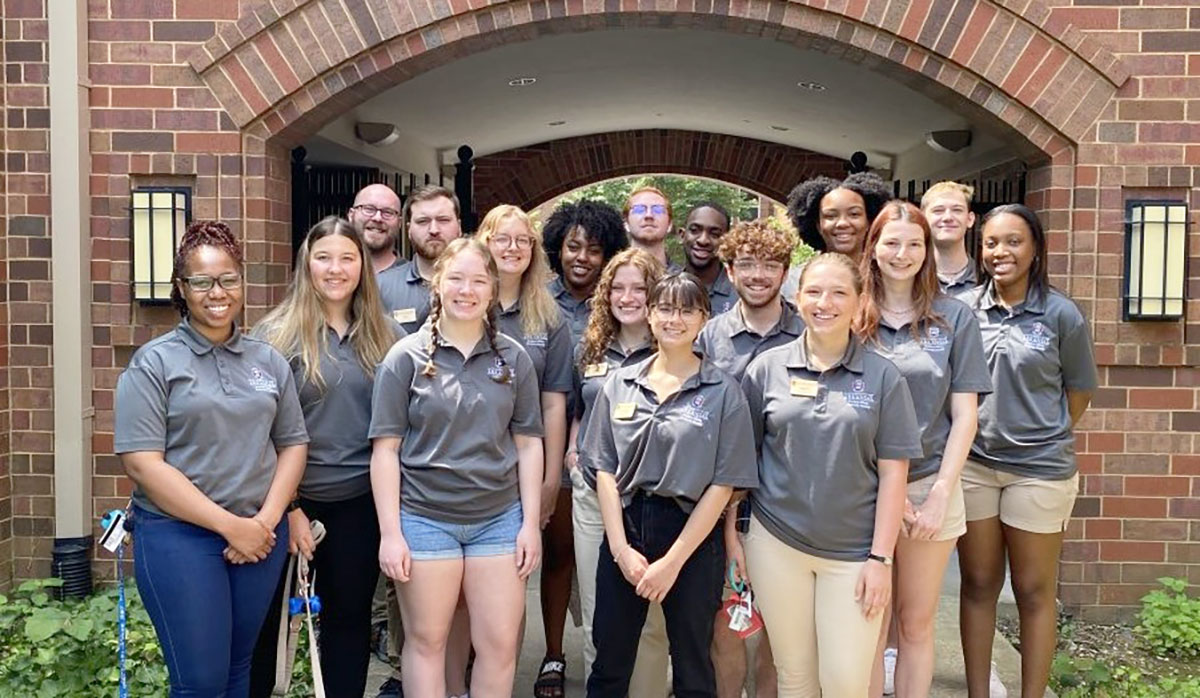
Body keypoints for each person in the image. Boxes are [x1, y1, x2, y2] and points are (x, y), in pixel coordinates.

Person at [114, 220, 309, 697]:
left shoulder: (268, 361)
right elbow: (143, 463)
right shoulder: (155, 363)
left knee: (238, 670)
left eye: (228, 279)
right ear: (182, 288)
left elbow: (293, 444)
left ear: (242, 282)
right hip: (179, 537)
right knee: (200, 682)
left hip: (259, 537)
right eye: (202, 281)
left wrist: (264, 522)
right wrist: (230, 526)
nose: (216, 292)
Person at [735, 252, 923, 697]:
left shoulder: (884, 377)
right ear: (797, 299)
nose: (826, 302)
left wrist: (881, 559)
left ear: (860, 303)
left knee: (846, 682)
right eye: (814, 291)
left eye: (840, 292)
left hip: (856, 555)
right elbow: (742, 467)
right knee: (795, 677)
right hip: (776, 544)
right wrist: (734, 539)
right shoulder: (766, 370)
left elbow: (894, 474)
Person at [369, 237, 544, 698]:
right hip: (425, 519)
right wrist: (391, 532)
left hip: (498, 520)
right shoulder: (404, 358)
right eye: (457, 279)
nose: (466, 290)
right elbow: (385, 450)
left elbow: (528, 445)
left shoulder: (514, 358)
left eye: (478, 281)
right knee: (427, 641)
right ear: (438, 284)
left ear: (492, 290)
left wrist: (530, 524)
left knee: (499, 646)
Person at [247, 217, 404, 698]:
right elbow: (258, 433)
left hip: (359, 505)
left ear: (363, 266)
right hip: (285, 505)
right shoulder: (275, 337)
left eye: (347, 258)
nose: (335, 269)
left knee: (350, 623)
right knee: (267, 625)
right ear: (306, 263)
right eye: (324, 257)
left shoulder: (388, 336)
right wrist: (290, 510)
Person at [583, 272, 758, 698]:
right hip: (627, 526)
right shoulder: (620, 382)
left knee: (694, 664)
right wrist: (622, 550)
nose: (673, 319)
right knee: (609, 661)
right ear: (648, 313)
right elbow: (603, 467)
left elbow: (723, 484)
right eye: (664, 308)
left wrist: (674, 562)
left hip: (692, 535)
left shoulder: (723, 391)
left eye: (686, 310)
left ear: (703, 319)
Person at [853, 202, 991, 698]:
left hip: (932, 484)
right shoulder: (852, 313)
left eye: (915, 243)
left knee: (915, 622)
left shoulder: (955, 318)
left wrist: (936, 494)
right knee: (868, 623)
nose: (902, 253)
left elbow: (966, 416)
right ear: (873, 248)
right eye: (891, 242)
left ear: (928, 250)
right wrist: (892, 495)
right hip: (861, 489)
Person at [957, 205, 1096, 698]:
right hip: (974, 467)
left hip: (1039, 471)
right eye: (992, 242)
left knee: (1034, 592)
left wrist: (1041, 432)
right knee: (976, 584)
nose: (1001, 252)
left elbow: (1078, 391)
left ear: (1035, 249)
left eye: (1014, 242)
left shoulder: (1061, 314)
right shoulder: (963, 310)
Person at [696, 218, 802, 698]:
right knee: (728, 619)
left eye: (771, 265)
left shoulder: (806, 327)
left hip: (791, 496)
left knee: (782, 626)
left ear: (784, 271)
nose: (758, 275)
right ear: (730, 269)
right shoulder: (710, 336)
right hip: (723, 497)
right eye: (747, 264)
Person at [475, 205, 574, 698]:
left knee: (549, 557)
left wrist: (552, 477)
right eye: (502, 238)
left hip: (533, 462)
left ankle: (552, 655)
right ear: (485, 243)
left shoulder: (547, 315)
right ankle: (481, 667)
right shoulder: (469, 300)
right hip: (478, 465)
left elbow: (555, 402)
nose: (513, 248)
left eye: (523, 240)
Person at [570, 249, 665, 691]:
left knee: (649, 621)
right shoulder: (589, 347)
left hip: (649, 500)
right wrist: (574, 453)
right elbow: (577, 410)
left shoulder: (674, 345)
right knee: (599, 617)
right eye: (618, 288)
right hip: (592, 496)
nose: (628, 298)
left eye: (639, 288)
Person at [781, 173, 891, 301]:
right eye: (831, 216)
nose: (842, 223)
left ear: (870, 221)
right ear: (817, 225)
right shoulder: (795, 281)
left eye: (854, 214)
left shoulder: (888, 279)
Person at [376, 185, 464, 334]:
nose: (434, 230)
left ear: (459, 227)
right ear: (409, 230)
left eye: (443, 220)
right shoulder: (380, 287)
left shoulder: (480, 285)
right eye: (423, 221)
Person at [543, 199, 630, 344]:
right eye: (573, 247)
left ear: (607, 258)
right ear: (558, 250)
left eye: (594, 251)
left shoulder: (617, 303)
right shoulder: (537, 300)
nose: (582, 257)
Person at [921, 181, 978, 295]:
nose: (948, 217)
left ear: (970, 219)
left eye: (957, 210)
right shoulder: (909, 280)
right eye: (938, 210)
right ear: (922, 219)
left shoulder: (988, 280)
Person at [680, 202, 736, 315]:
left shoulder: (740, 293)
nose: (703, 240)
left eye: (714, 234)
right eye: (695, 230)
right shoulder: (665, 288)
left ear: (727, 241)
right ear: (681, 235)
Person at [349, 183, 405, 274]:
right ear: (351, 215)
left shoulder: (415, 282)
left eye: (388, 212)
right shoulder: (334, 274)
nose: (377, 218)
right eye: (369, 209)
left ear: (399, 223)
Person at [624, 186, 683, 273]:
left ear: (670, 224)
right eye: (639, 210)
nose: (649, 215)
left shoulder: (684, 281)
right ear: (626, 223)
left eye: (658, 210)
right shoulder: (609, 277)